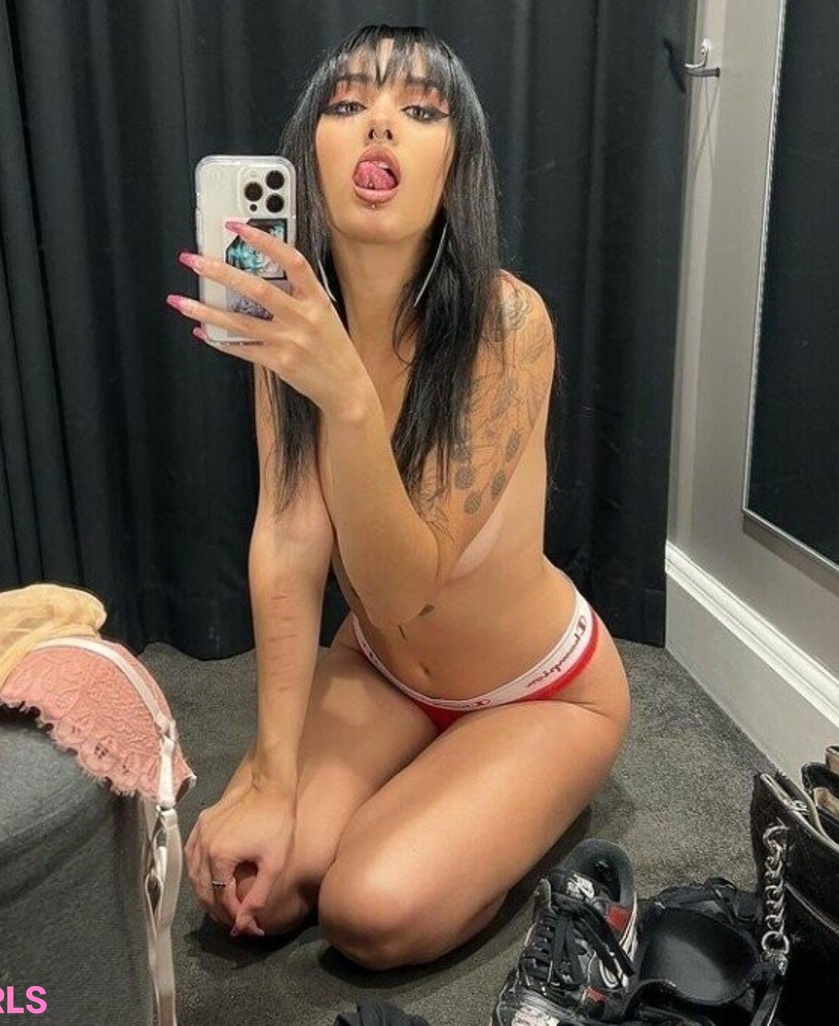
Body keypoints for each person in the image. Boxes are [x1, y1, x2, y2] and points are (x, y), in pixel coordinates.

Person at [167, 24, 630, 971]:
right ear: (310, 154)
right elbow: (289, 541)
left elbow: (402, 585)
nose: (379, 124)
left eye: (420, 110)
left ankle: (510, 796)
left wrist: (345, 396)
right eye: (349, 104)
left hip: (541, 691)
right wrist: (270, 777)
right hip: (382, 668)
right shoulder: (290, 322)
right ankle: (421, 784)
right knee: (247, 889)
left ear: (456, 165)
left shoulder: (506, 324)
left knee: (369, 911)